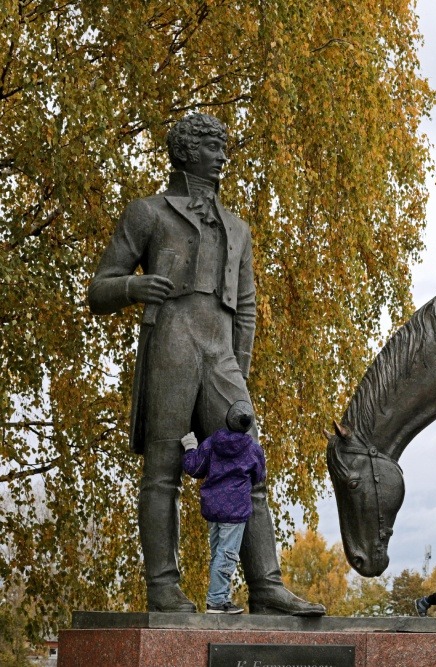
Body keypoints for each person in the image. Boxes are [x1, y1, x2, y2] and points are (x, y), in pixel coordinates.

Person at [88, 113, 323, 615]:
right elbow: (99, 288)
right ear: (185, 153)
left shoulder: (237, 227)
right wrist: (133, 286)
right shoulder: (148, 213)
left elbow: (248, 305)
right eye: (212, 148)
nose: (221, 156)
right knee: (164, 471)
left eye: (222, 148)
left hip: (221, 354)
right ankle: (164, 587)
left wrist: (236, 369)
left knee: (250, 465)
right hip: (171, 347)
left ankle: (265, 584)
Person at [181, 401, 264, 614]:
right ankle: (217, 601)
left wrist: (190, 446)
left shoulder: (211, 443)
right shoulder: (253, 450)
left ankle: (217, 598)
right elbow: (258, 477)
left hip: (213, 507)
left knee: (218, 553)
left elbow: (194, 468)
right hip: (235, 511)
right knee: (227, 555)